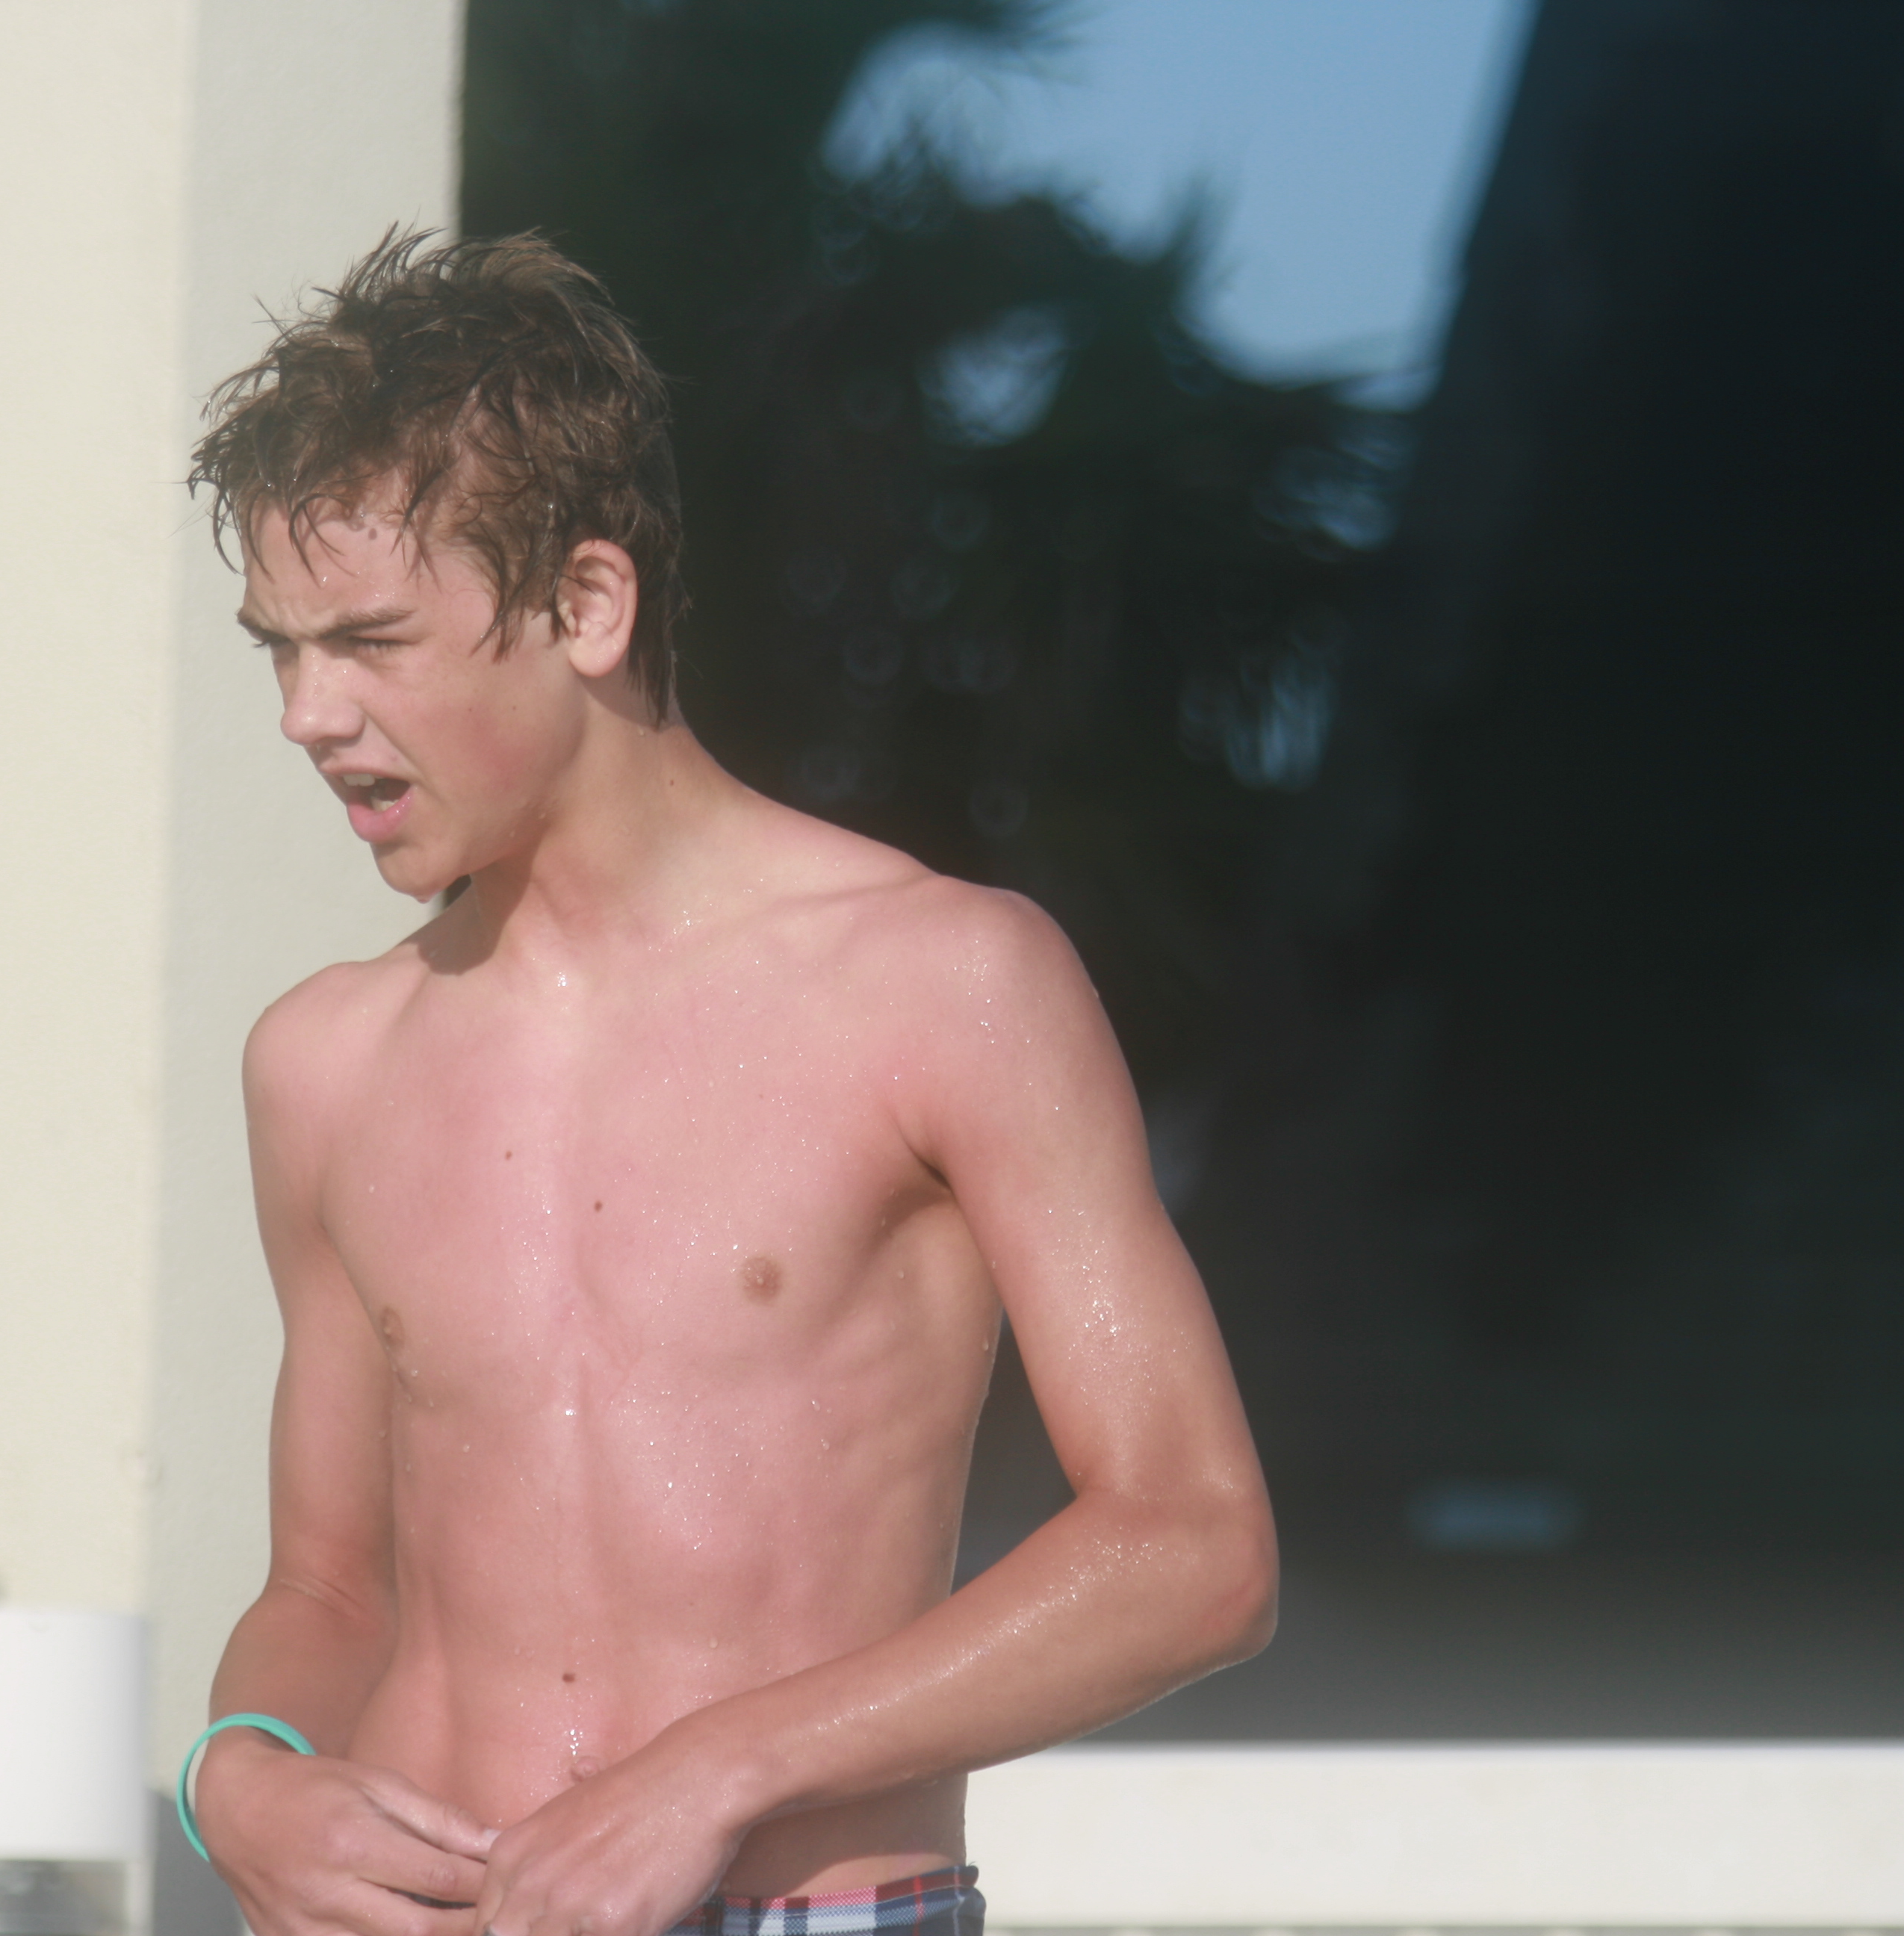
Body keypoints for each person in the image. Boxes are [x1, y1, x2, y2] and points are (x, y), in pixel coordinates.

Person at [181, 230, 1276, 1936]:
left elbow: (1195, 1546)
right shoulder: (322, 1063)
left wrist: (721, 1769)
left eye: (371, 639)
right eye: (282, 648)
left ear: (587, 606)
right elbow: (327, 1590)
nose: (307, 715)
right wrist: (241, 1771)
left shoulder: (944, 984)